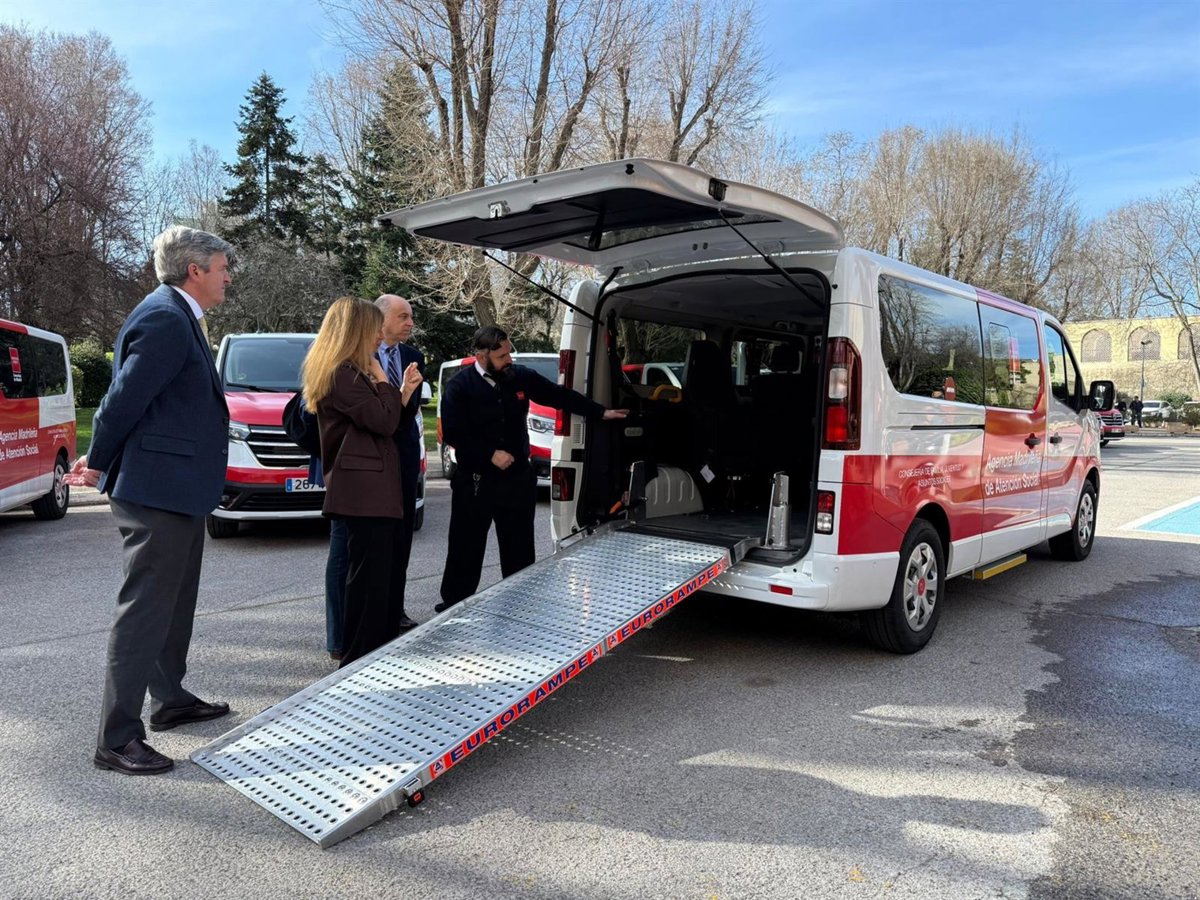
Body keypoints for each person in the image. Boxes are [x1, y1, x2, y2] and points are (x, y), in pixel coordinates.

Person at [66, 226, 234, 776]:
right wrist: (97, 460)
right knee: (144, 612)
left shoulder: (179, 314)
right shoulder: (165, 317)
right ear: (194, 270)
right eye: (222, 268)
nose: (228, 277)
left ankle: (170, 699)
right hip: (157, 491)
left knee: (175, 605)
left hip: (178, 489)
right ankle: (116, 739)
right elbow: (122, 399)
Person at [436, 325, 628, 612]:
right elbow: (452, 432)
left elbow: (557, 395)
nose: (508, 360)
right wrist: (489, 454)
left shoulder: (519, 377)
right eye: (501, 356)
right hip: (475, 483)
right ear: (481, 355)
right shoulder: (460, 386)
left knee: (519, 550)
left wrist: (600, 412)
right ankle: (453, 608)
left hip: (516, 482)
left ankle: (521, 605)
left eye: (509, 353)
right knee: (466, 549)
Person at [301, 296, 422, 667]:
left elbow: (387, 423)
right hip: (364, 493)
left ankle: (372, 656)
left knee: (376, 580)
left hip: (372, 492)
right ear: (355, 332)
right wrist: (386, 380)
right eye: (373, 330)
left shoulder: (350, 373)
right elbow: (384, 422)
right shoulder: (344, 375)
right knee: (367, 584)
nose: (378, 337)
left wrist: (402, 393)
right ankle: (358, 662)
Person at [375, 294, 425, 632]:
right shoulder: (360, 355)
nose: (410, 323)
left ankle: (396, 609)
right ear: (381, 320)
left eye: (411, 316)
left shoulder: (413, 357)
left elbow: (408, 414)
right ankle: (372, 614)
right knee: (373, 541)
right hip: (370, 460)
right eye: (403, 316)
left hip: (403, 458)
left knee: (402, 537)